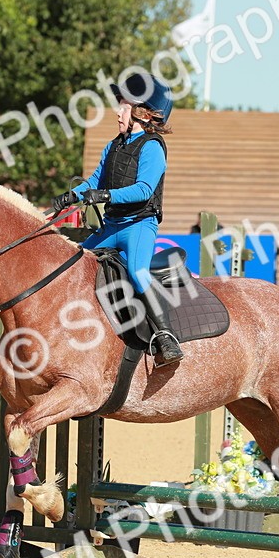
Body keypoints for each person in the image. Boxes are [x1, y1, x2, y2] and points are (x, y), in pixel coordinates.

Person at [52, 71, 182, 366]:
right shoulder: (113, 145)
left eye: (122, 107)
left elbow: (143, 190)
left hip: (138, 225)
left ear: (140, 113)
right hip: (112, 226)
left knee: (137, 272)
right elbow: (95, 179)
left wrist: (106, 196)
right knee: (77, 259)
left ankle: (165, 335)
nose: (117, 113)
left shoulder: (152, 147)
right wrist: (73, 195)